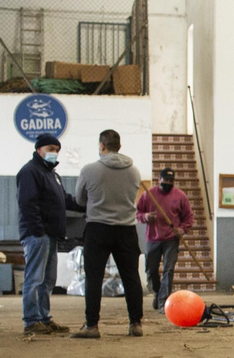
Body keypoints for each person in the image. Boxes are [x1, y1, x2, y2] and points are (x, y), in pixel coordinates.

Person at [73, 129, 145, 339]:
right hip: (126, 229)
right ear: (119, 147)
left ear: (101, 146)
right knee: (131, 277)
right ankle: (135, 324)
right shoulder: (134, 171)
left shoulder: (89, 170)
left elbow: (79, 199)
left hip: (98, 228)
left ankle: (92, 325)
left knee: (94, 278)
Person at [15, 132, 79, 336]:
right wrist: (37, 231)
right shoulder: (30, 171)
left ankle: (44, 318)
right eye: (50, 149)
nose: (54, 153)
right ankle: (31, 321)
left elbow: (64, 199)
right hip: (37, 235)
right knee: (34, 278)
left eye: (57, 150)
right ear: (38, 150)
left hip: (50, 234)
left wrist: (87, 204)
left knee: (48, 280)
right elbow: (27, 203)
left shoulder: (52, 174)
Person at [136, 167, 195, 312]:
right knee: (151, 270)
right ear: (159, 179)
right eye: (165, 180)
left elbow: (189, 217)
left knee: (168, 270)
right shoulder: (148, 194)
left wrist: (182, 229)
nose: (168, 183)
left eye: (171, 180)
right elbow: (138, 213)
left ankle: (164, 302)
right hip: (152, 238)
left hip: (171, 239)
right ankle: (158, 292)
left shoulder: (180, 196)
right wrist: (145, 217)